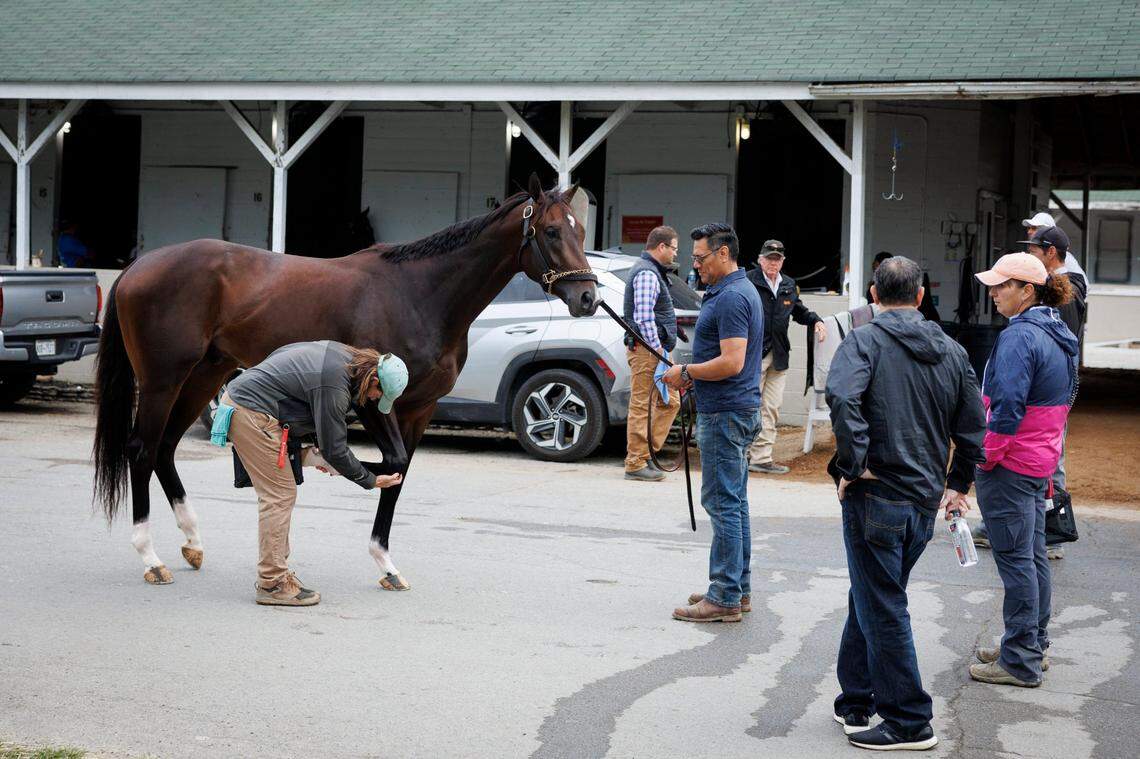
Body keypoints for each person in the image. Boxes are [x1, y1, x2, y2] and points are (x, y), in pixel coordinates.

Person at [826, 256, 985, 751]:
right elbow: (974, 422)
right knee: (872, 594)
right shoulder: (952, 350)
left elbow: (841, 396)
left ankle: (909, 719)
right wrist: (958, 483)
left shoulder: (864, 340)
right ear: (920, 296)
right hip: (920, 499)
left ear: (873, 295)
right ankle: (856, 700)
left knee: (882, 602)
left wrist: (854, 464)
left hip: (878, 495)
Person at [223, 341, 408, 606]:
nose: (375, 399)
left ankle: (278, 572)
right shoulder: (335, 384)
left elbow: (286, 366)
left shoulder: (344, 357)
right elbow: (335, 449)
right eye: (379, 393)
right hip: (252, 412)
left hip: (252, 405)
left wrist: (318, 452)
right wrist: (370, 480)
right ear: (374, 377)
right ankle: (272, 583)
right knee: (280, 495)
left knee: (282, 489)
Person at [969, 253, 1077, 688]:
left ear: (1027, 290)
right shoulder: (1059, 332)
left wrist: (986, 456)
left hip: (1011, 464)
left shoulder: (1020, 338)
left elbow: (1007, 409)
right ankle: (1031, 644)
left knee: (1016, 561)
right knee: (1031, 558)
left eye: (1001, 286)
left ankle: (1019, 659)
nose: (993, 293)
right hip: (1038, 461)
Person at [662, 223, 763, 623]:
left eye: (701, 258)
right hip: (732, 409)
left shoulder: (733, 297)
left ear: (724, 254)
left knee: (723, 504)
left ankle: (723, 596)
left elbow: (732, 362)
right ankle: (737, 588)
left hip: (726, 412)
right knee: (734, 502)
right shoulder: (735, 291)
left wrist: (686, 372)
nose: (696, 265)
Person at [744, 239, 826, 474]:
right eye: (769, 258)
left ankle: (761, 458)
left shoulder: (788, 284)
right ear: (760, 259)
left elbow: (798, 311)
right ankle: (742, 453)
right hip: (753, 355)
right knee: (749, 406)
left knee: (771, 407)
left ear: (782, 261)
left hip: (779, 355)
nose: (773, 262)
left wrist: (816, 320)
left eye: (777, 258)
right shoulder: (749, 281)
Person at [623, 225, 682, 482]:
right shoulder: (647, 273)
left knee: (671, 402)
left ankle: (646, 454)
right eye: (674, 249)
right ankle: (636, 462)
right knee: (643, 405)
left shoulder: (651, 271)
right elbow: (644, 315)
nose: (675, 254)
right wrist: (656, 347)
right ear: (661, 247)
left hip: (655, 350)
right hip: (649, 351)